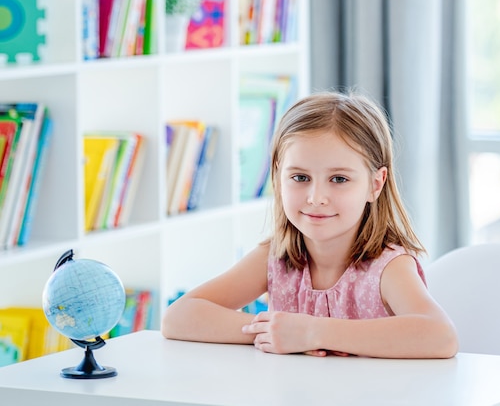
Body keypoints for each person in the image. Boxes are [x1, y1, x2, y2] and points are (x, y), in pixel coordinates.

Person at [161, 91, 458, 359]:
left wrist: (314, 332)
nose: (316, 198)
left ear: (375, 184)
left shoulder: (388, 267)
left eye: (339, 179)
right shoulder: (277, 258)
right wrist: (278, 331)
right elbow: (178, 317)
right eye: (300, 178)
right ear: (278, 177)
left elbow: (440, 336)